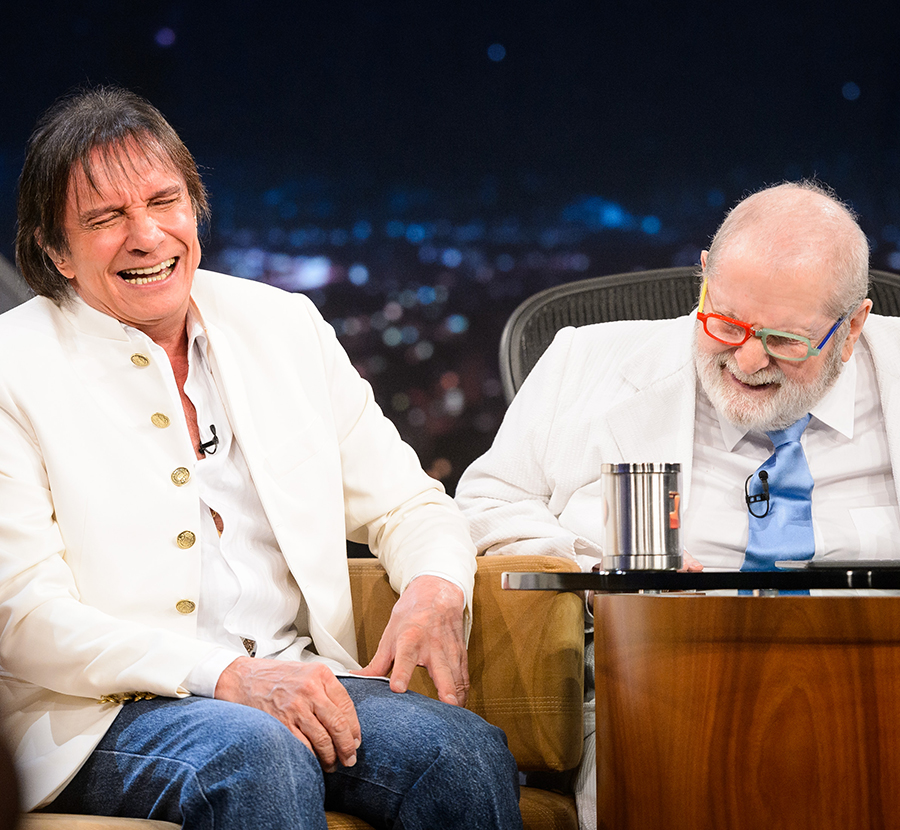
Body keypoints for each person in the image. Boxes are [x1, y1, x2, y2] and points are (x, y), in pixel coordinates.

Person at [0, 86, 522, 830]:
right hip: (98, 714)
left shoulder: (283, 324)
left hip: (301, 674)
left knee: (460, 754)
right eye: (106, 218)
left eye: (164, 201)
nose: (147, 236)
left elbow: (409, 504)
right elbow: (22, 616)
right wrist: (226, 676)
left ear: (195, 207)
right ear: (56, 250)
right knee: (257, 755)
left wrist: (436, 587)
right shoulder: (13, 366)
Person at [455, 180, 900, 830]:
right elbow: (486, 505)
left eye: (784, 340)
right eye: (727, 324)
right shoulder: (583, 362)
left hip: (878, 688)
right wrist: (589, 567)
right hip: (657, 688)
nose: (748, 359)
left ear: (853, 325)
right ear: (705, 279)